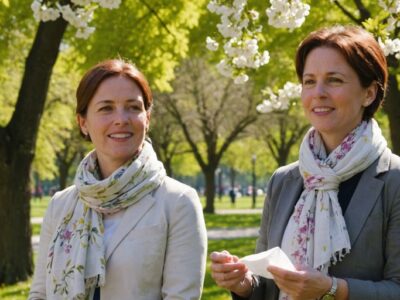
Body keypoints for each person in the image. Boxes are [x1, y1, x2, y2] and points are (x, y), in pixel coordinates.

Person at [210, 25, 400, 300]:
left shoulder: (393, 180)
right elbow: (266, 288)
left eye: (334, 80)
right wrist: (243, 283)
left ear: (369, 93)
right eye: (309, 81)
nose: (318, 92)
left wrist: (333, 289)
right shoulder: (284, 181)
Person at [29, 59, 207, 300]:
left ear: (148, 118)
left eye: (133, 107)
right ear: (83, 123)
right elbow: (40, 293)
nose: (121, 119)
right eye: (106, 108)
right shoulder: (60, 205)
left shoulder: (178, 203)